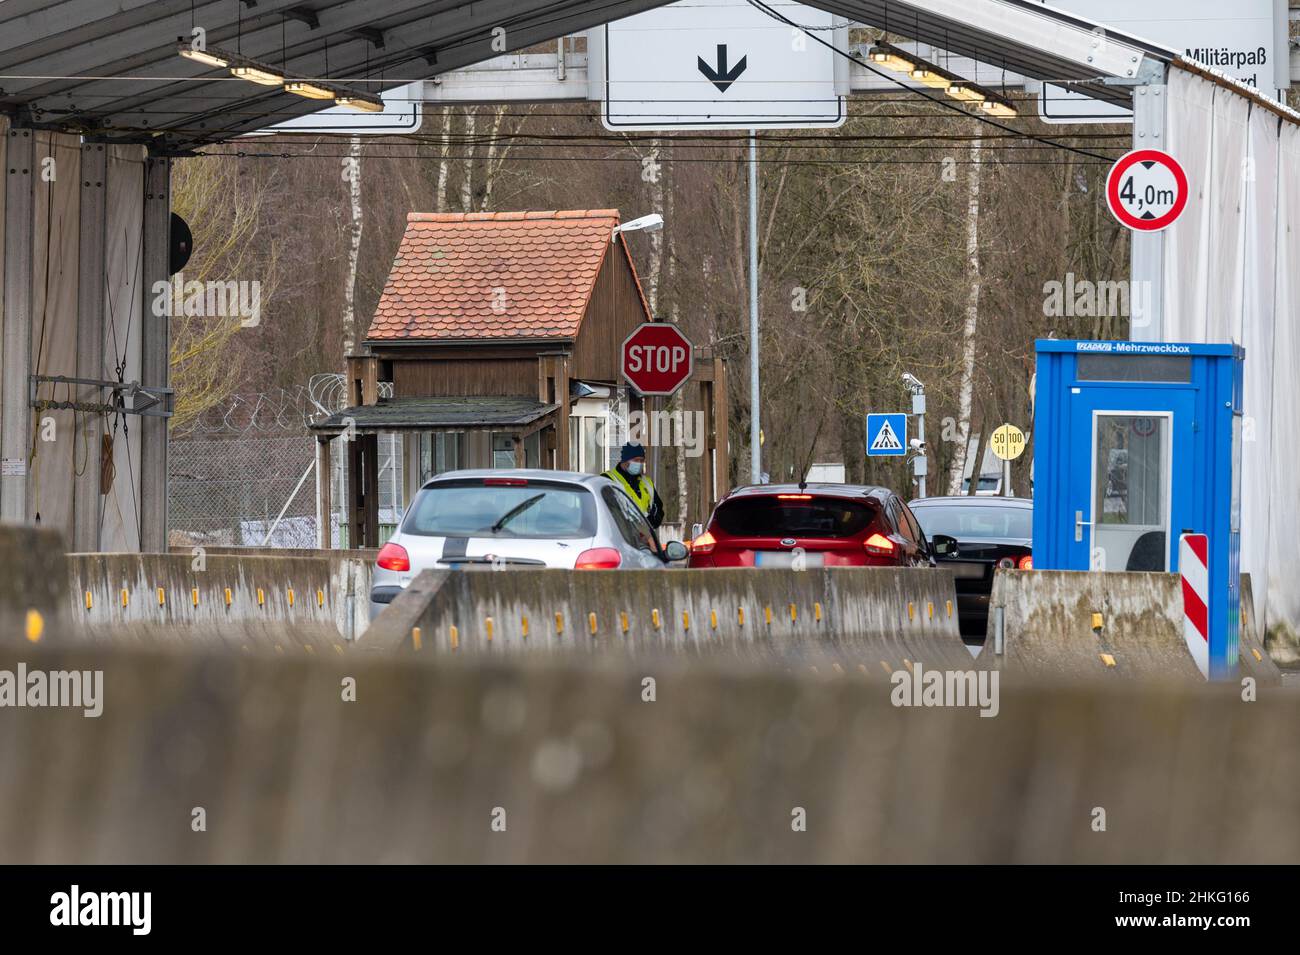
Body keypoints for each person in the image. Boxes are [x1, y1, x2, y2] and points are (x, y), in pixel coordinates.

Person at [603, 442, 664, 529]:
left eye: (642, 460)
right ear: (624, 460)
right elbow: (608, 512)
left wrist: (650, 523)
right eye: (635, 460)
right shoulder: (608, 479)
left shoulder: (647, 483)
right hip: (619, 537)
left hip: (645, 538)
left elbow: (658, 509)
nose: (639, 463)